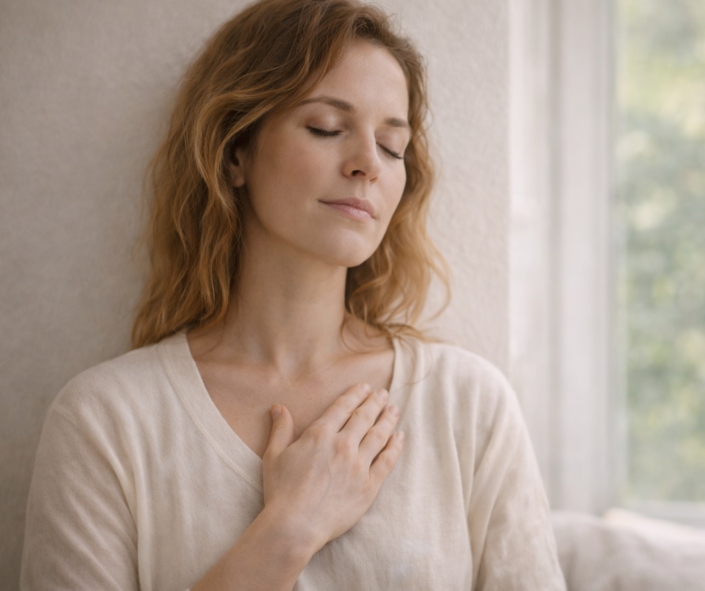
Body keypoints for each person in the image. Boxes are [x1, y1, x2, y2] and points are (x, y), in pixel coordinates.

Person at [20, 0, 566, 589]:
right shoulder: (105, 421)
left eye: (392, 146)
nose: (367, 164)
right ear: (235, 153)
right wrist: (290, 529)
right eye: (326, 128)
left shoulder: (468, 406)